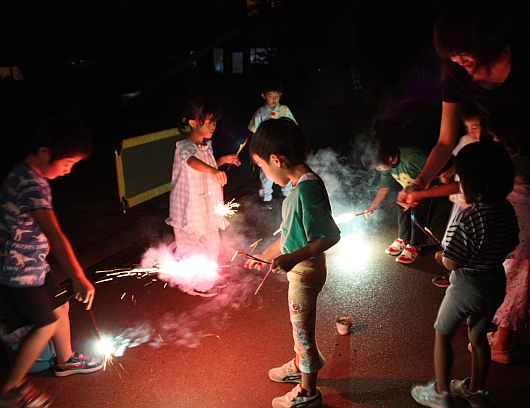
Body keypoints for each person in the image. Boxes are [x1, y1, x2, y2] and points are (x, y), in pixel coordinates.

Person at [0, 115, 104, 407]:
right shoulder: (31, 183)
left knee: (60, 306)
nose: (69, 171)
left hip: (35, 266)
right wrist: (78, 277)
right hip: (17, 271)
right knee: (43, 325)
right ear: (45, 152)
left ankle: (66, 360)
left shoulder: (30, 176)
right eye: (68, 164)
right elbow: (55, 234)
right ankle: (10, 387)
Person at [411, 141, 519, 408]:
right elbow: (511, 244)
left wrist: (440, 256)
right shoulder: (506, 208)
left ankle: (440, 392)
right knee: (479, 337)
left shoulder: (468, 217)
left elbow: (452, 263)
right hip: (495, 281)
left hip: (467, 287)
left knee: (443, 333)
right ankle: (476, 391)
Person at [245, 118, 340, 408]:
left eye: (262, 167)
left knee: (303, 333)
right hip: (299, 269)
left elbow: (330, 236)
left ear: (277, 159)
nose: (264, 172)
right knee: (298, 327)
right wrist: (265, 254)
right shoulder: (298, 185)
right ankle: (302, 363)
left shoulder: (307, 191)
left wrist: (293, 258)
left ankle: (308, 393)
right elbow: (290, 233)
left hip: (306, 272)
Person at [399, 2, 529, 209]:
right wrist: (420, 183)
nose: (457, 60)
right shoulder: (456, 75)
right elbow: (444, 142)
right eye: (451, 55)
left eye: (463, 51)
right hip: (494, 152)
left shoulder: (522, 58)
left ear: (482, 40)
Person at [471, 102, 530, 364]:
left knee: (513, 286)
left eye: (495, 137)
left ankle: (501, 345)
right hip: (524, 236)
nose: (493, 141)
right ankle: (505, 336)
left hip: (518, 237)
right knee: (523, 285)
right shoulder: (525, 160)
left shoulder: (513, 165)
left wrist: (422, 192)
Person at [165, 97, 240, 297]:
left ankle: (208, 278)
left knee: (211, 243)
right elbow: (191, 161)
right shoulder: (184, 146)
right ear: (192, 122)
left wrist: (222, 161)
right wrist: (213, 171)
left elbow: (205, 166)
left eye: (214, 122)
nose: (212, 126)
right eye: (208, 122)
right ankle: (198, 285)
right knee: (192, 248)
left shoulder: (206, 145)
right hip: (189, 210)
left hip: (206, 206)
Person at [433, 101, 483, 287]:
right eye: (469, 128)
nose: (473, 132)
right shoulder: (466, 141)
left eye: (476, 127)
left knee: (471, 240)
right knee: (455, 236)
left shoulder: (490, 147)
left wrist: (424, 193)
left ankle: (466, 276)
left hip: (475, 201)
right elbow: (459, 161)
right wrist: (449, 172)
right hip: (461, 201)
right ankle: (453, 273)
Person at [361, 137, 430, 264]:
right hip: (410, 192)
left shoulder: (410, 158)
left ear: (387, 157)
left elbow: (434, 168)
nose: (378, 169)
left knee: (418, 214)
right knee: (401, 208)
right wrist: (372, 207)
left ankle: (416, 245)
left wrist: (424, 189)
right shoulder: (388, 167)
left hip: (427, 191)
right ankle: (404, 238)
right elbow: (383, 188)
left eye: (377, 166)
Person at [248, 81, 297, 209]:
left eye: (277, 96)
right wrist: (255, 151)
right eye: (270, 96)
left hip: (283, 147)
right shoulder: (260, 112)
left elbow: (293, 127)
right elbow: (254, 131)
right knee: (266, 173)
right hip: (267, 149)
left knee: (286, 169)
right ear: (263, 96)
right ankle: (266, 198)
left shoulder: (284, 110)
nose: (274, 99)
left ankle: (288, 195)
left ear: (281, 95)